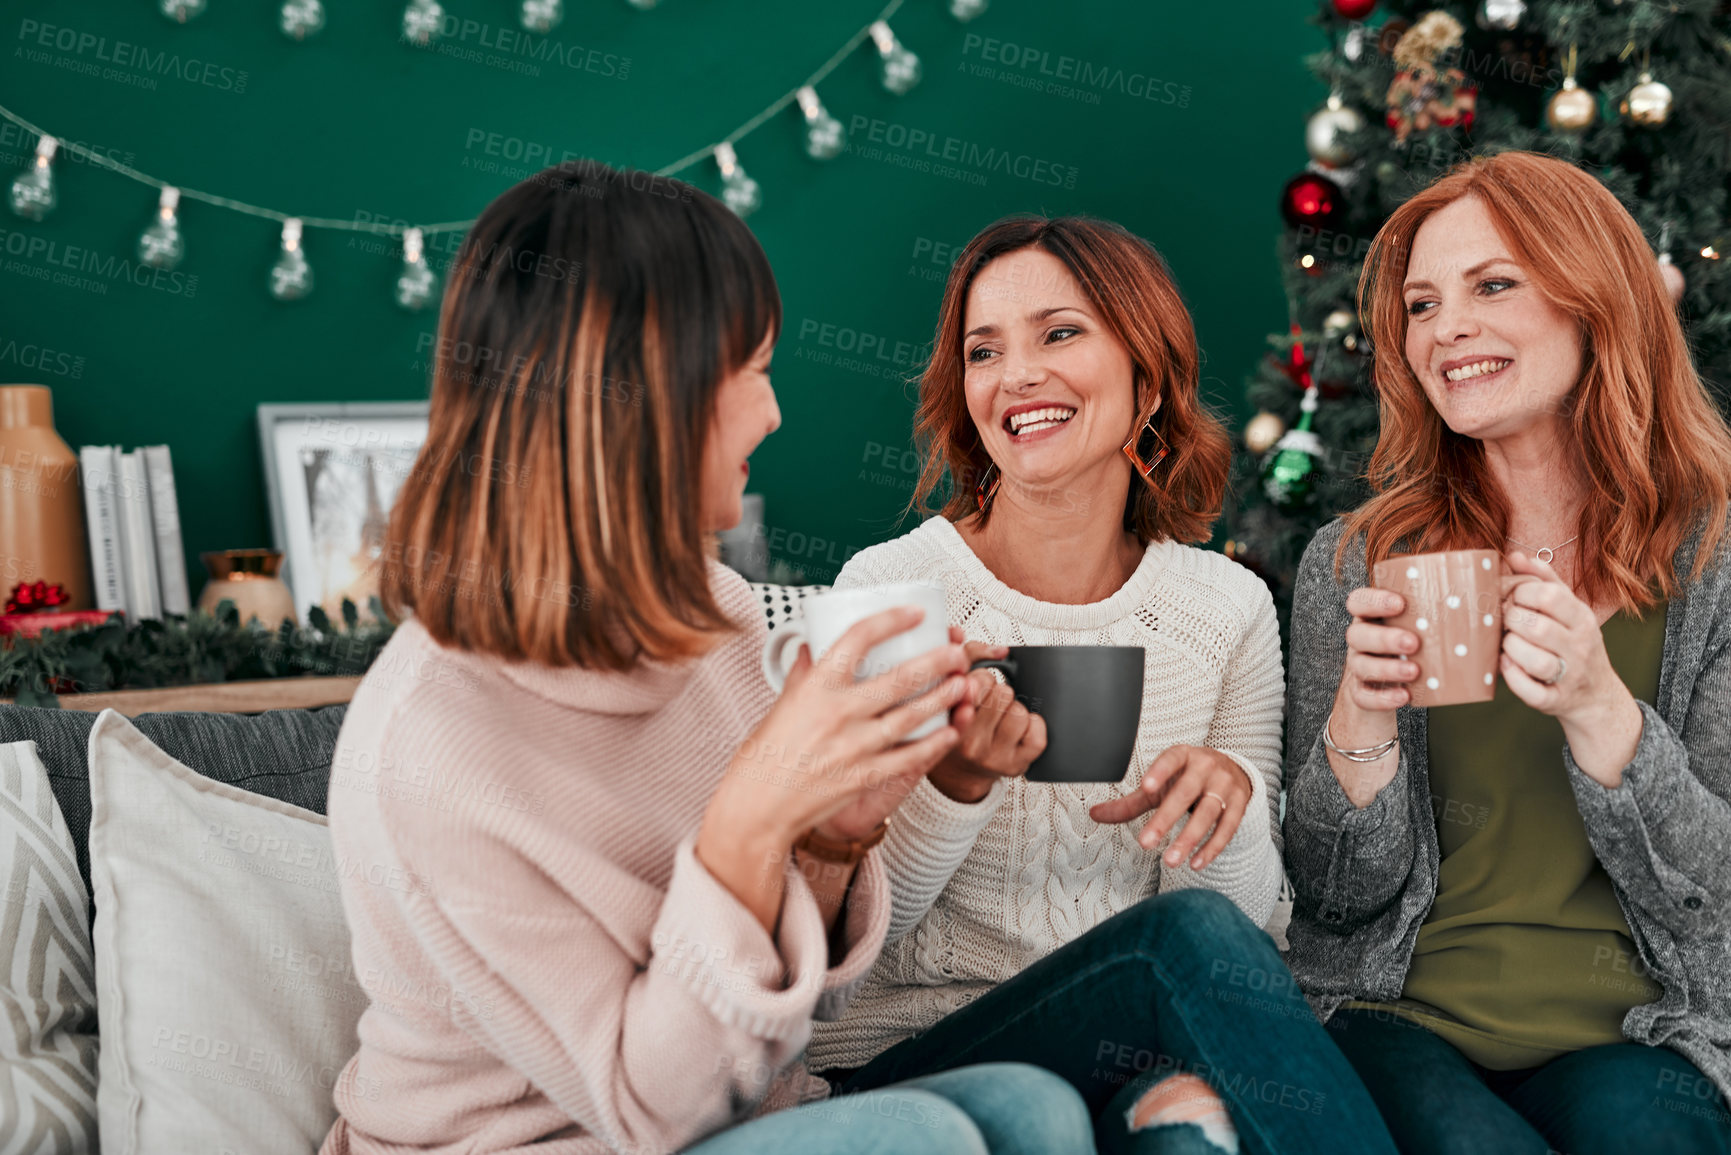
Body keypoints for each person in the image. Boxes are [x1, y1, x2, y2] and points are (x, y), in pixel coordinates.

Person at [318, 161, 1095, 1155]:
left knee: (1034, 1108)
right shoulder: (429, 747)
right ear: (640, 396)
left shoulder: (715, 616)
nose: (773, 417)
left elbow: (775, 1037)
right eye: (753, 372)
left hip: (737, 1116)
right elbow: (656, 1111)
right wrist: (757, 803)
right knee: (923, 1136)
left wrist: (829, 840)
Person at [806, 216, 1399, 1155]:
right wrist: (954, 785)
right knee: (1181, 946)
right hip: (907, 1057)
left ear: (1147, 380)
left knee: (1190, 1129)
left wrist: (1225, 815)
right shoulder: (895, 592)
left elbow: (1247, 940)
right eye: (983, 350)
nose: (1017, 375)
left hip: (1125, 1049)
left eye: (1058, 333)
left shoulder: (1225, 607)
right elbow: (828, 966)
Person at [1282, 149, 1731, 1154]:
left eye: (1493, 285)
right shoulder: (1357, 561)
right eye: (1424, 304)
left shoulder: (1715, 566)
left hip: (1640, 1034)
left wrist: (1599, 710)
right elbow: (1330, 894)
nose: (1448, 330)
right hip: (1397, 1015)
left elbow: (1721, 894)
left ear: (1594, 302)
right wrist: (1360, 723)